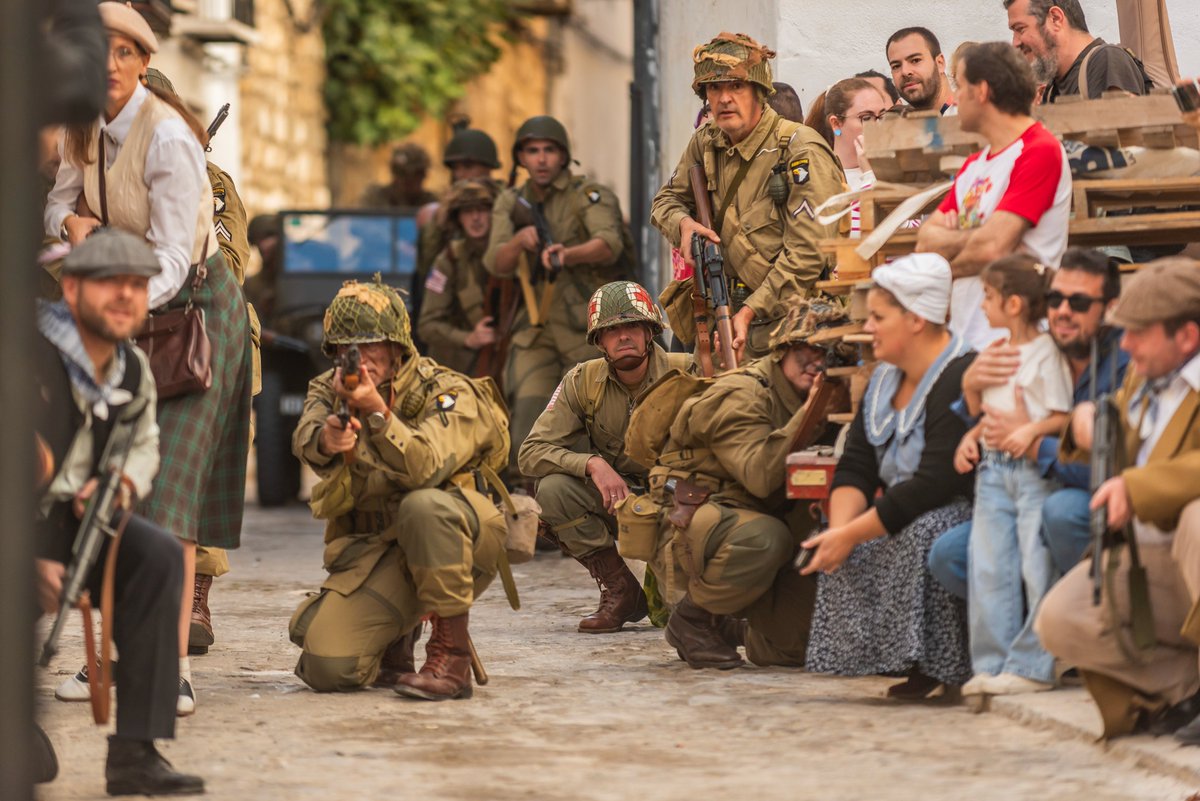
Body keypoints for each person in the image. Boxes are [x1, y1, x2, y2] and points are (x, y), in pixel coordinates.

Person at [42, 1, 252, 716]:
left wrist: (109, 299)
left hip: (193, 318)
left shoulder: (169, 141)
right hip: (124, 318)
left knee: (166, 501)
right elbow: (59, 204)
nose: (107, 68)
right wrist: (69, 222)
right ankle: (103, 658)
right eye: (94, 56)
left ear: (140, 61)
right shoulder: (80, 130)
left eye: (123, 54)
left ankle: (168, 673)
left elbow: (172, 257)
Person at [34, 230, 203, 796]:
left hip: (72, 520)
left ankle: (136, 752)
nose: (128, 296)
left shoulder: (130, 367)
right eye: (112, 284)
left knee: (156, 554)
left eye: (138, 284)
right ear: (74, 288)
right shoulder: (25, 358)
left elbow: (144, 441)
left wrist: (123, 481)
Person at [288, 276, 511, 700]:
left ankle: (452, 656)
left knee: (424, 506)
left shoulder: (446, 391)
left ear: (397, 347)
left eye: (371, 345)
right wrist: (326, 439)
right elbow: (305, 435)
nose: (360, 359)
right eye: (345, 348)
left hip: (461, 539)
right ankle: (396, 637)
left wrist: (375, 411)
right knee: (327, 667)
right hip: (382, 549)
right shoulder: (331, 386)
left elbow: (424, 467)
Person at [1035, 258, 1200, 743]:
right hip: (1160, 561)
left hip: (1190, 543)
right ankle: (1186, 691)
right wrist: (1085, 423)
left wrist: (1137, 488)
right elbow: (1127, 442)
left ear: (1186, 337)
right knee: (1062, 619)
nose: (1124, 345)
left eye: (1138, 333)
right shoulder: (1145, 378)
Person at [641, 299, 853, 670]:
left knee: (798, 649)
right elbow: (760, 475)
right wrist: (811, 411)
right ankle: (693, 618)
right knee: (767, 538)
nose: (819, 361)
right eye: (809, 349)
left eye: (830, 355)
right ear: (785, 347)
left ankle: (731, 627)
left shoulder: (813, 391)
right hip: (696, 523)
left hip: (755, 519)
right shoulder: (741, 394)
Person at [801, 254, 976, 699]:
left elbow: (935, 485)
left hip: (956, 513)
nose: (870, 327)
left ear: (916, 320)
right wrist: (841, 531)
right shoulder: (883, 381)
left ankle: (942, 663)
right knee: (839, 532)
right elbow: (856, 466)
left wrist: (854, 533)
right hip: (903, 508)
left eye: (879, 317)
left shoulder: (959, 373)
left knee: (923, 531)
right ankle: (891, 658)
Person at [927, 248, 1128, 599]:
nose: (1063, 312)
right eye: (1055, 299)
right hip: (1018, 489)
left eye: (1079, 302)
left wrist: (1036, 444)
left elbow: (1114, 468)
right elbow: (983, 416)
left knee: (1062, 511)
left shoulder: (1125, 362)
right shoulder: (1038, 345)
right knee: (950, 555)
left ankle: (1089, 626)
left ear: (1109, 308)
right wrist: (971, 389)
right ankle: (1027, 637)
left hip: (1096, 504)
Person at [651, 32, 843, 363]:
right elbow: (666, 200)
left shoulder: (799, 148)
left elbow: (810, 252)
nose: (724, 98)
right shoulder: (705, 143)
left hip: (792, 331)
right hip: (722, 320)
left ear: (758, 92)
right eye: (714, 88)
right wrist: (683, 224)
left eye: (735, 87)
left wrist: (752, 309)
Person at [143, 66, 248, 660]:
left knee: (198, 475)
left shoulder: (214, 182)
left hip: (205, 336)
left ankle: (195, 600)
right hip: (140, 332)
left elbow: (231, 256)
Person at [518, 281, 692, 632]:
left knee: (683, 620)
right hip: (623, 501)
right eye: (611, 331)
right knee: (552, 489)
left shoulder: (687, 372)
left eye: (631, 326)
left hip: (681, 504)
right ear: (599, 342)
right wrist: (591, 464)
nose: (623, 336)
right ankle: (620, 588)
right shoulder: (582, 381)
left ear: (650, 333)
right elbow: (530, 453)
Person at [483, 115, 630, 479]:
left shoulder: (587, 195)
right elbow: (495, 262)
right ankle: (532, 519)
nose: (542, 159)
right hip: (534, 330)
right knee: (527, 426)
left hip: (584, 328)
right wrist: (520, 241)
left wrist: (568, 255)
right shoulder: (510, 201)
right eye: (532, 151)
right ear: (521, 157)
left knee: (586, 427)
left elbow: (609, 244)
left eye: (549, 150)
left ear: (563, 156)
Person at [952, 255, 1072, 696]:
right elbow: (994, 409)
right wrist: (975, 435)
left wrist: (1031, 430)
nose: (982, 305)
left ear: (1015, 304)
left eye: (988, 296)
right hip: (993, 473)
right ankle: (992, 662)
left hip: (1029, 474)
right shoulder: (997, 351)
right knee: (989, 565)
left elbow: (1061, 416)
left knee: (1035, 564)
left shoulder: (1046, 355)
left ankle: (1035, 664)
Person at [916, 42, 1071, 350]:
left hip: (1015, 347)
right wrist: (980, 236)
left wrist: (946, 260)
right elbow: (924, 243)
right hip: (966, 340)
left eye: (960, 86)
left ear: (982, 91)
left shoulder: (1039, 150)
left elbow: (991, 250)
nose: (954, 97)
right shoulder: (974, 165)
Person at [412, 124, 503, 343]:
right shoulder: (443, 211)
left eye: (468, 166)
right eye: (456, 168)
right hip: (455, 303)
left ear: (488, 166)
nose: (461, 174)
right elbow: (427, 269)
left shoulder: (506, 201)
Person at [417, 178, 502, 375]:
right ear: (457, 218)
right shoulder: (448, 260)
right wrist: (468, 338)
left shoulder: (509, 256)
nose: (475, 218)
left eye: (482, 209)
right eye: (467, 211)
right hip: (462, 366)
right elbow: (427, 326)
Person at [1004, 0, 1150, 103]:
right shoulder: (1050, 90)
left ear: (1055, 18)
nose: (1015, 43)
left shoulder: (1106, 61)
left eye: (1020, 29)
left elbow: (1125, 141)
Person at [804, 78, 890, 239]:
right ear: (836, 124)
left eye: (882, 116)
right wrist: (869, 177)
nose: (877, 126)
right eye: (866, 118)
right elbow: (855, 235)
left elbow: (908, 230)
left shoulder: (893, 170)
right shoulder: (820, 175)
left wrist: (871, 173)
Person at [885, 27, 956, 114]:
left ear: (939, 63)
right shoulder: (900, 125)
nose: (905, 71)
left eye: (915, 60)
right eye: (896, 66)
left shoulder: (970, 117)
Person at [359, 142, 437, 208]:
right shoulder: (376, 198)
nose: (408, 180)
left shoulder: (430, 204)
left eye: (416, 174)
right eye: (402, 173)